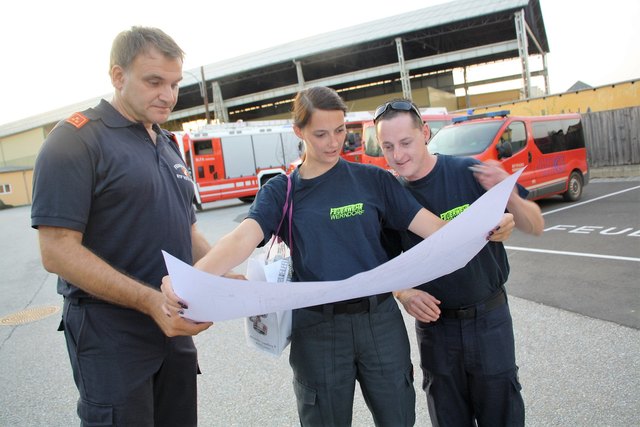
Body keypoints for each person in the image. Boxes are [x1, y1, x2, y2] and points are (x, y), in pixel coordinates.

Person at [162, 86, 515, 427]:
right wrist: (189, 281)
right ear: (298, 131)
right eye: (320, 134)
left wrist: (489, 222)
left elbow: (437, 232)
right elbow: (241, 238)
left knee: (398, 416)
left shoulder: (374, 181)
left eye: (340, 130)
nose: (333, 143)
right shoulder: (282, 191)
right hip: (318, 330)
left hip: (379, 323)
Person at [31, 27, 212, 426]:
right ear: (117, 76)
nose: (168, 95)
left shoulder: (166, 143)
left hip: (172, 326)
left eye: (174, 83)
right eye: (154, 82)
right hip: (110, 333)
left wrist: (228, 279)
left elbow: (189, 231)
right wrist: (150, 301)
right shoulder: (75, 141)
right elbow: (57, 249)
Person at [374, 99, 545, 427]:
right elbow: (383, 263)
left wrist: (510, 205)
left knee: (503, 415)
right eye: (388, 146)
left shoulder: (469, 173)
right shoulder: (390, 197)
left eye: (406, 142)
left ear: (425, 133)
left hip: (489, 321)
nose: (398, 155)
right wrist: (404, 293)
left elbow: (535, 224)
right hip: (436, 330)